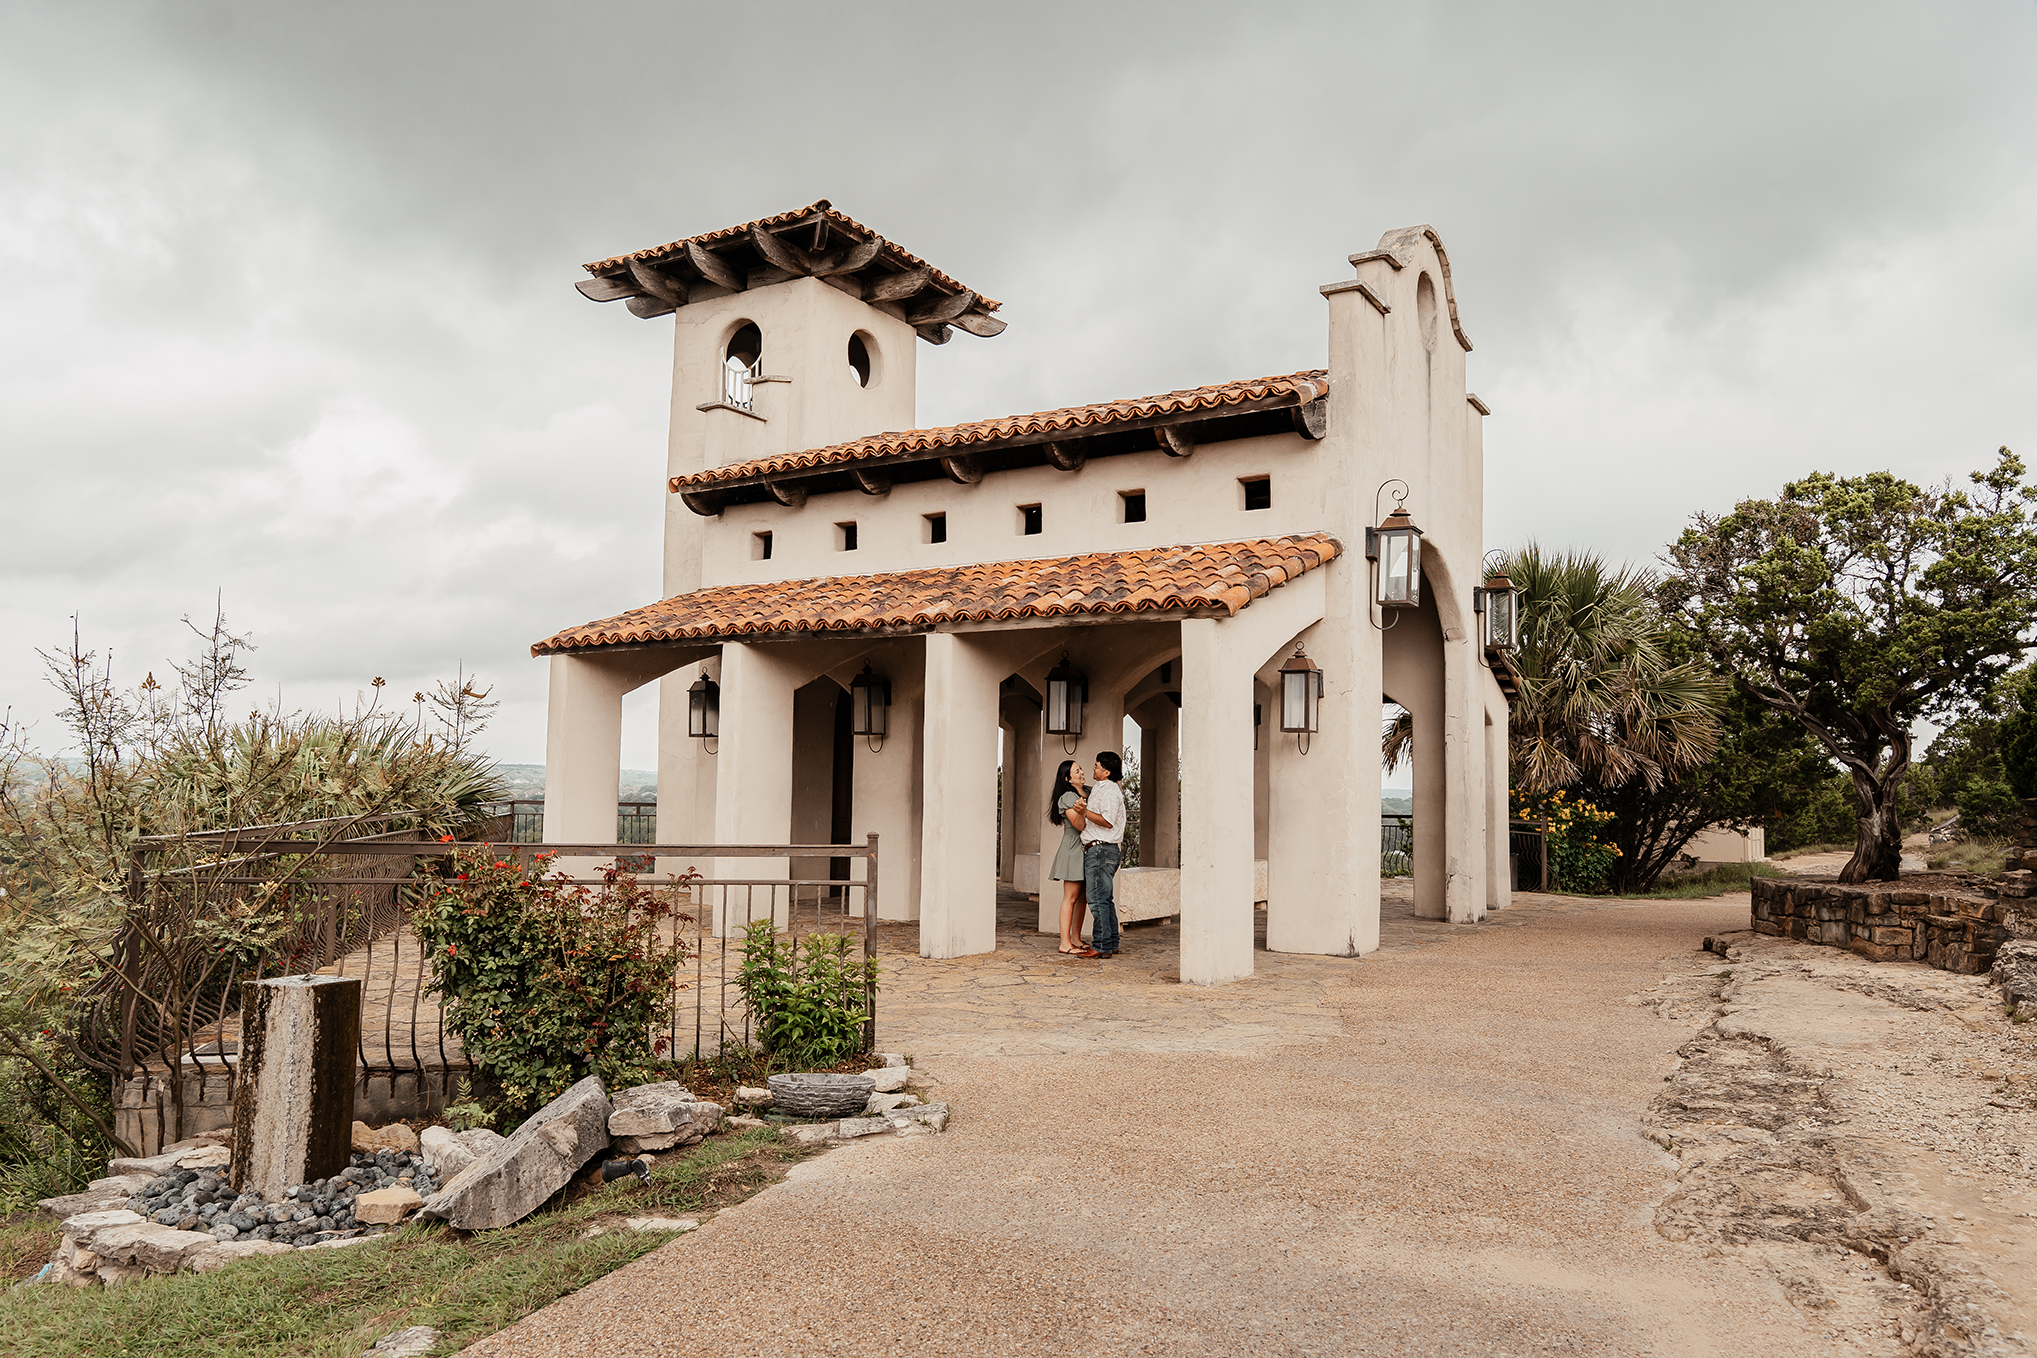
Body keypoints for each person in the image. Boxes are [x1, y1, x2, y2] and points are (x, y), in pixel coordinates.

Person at [1073, 750, 1126, 957]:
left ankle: (1101, 945)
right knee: (1105, 899)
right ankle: (1111, 942)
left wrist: (1084, 813)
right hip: (1101, 849)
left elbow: (1109, 820)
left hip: (1101, 850)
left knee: (1097, 900)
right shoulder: (1100, 789)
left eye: (1096, 765)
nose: (1093, 768)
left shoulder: (1110, 791)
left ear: (1107, 771)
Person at [1045, 759, 1096, 957]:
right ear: (1068, 778)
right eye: (1077, 771)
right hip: (1073, 849)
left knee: (1082, 897)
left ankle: (1075, 938)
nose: (1082, 772)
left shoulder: (1089, 792)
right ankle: (1064, 942)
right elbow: (1079, 825)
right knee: (1071, 897)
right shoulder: (1067, 797)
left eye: (1081, 768)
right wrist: (1082, 811)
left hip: (1085, 849)